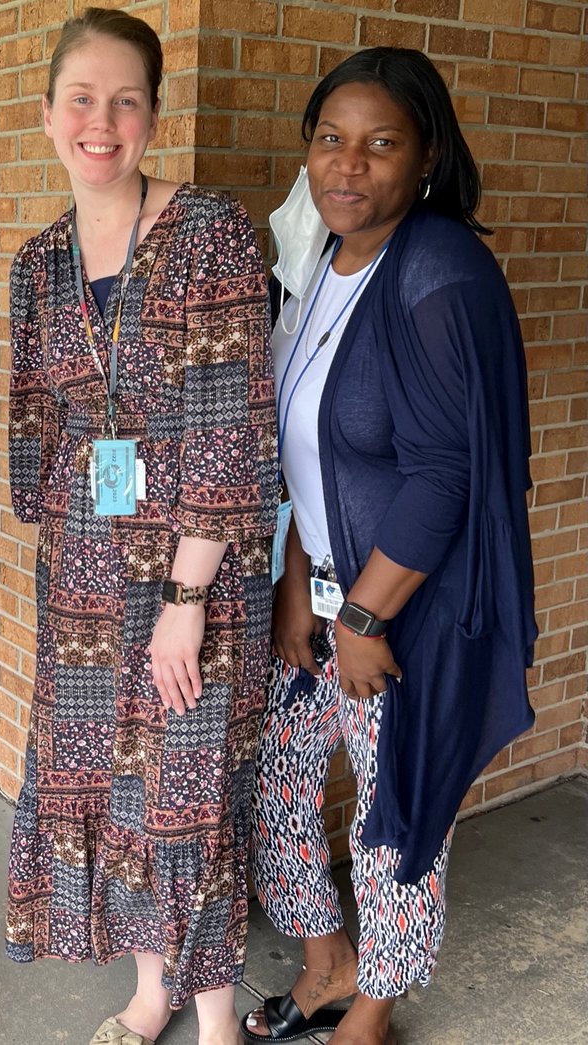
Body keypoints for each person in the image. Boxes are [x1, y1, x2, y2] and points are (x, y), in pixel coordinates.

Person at [243, 48, 536, 1045]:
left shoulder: (439, 273)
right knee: (276, 784)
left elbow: (445, 474)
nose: (347, 165)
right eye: (330, 139)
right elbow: (309, 449)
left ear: (426, 158)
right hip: (321, 593)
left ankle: (371, 1013)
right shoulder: (323, 261)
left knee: (396, 819)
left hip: (403, 616)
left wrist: (362, 614)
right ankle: (328, 967)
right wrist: (296, 582)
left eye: (380, 144)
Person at [5, 9, 278, 1045]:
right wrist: (54, 522)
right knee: (113, 788)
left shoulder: (209, 229)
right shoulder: (39, 261)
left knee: (188, 790)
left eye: (126, 99)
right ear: (48, 115)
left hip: (192, 564)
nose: (102, 121)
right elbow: (39, 409)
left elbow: (231, 421)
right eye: (82, 98)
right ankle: (151, 990)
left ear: (155, 116)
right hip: (82, 568)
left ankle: (214, 1023)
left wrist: (184, 597)